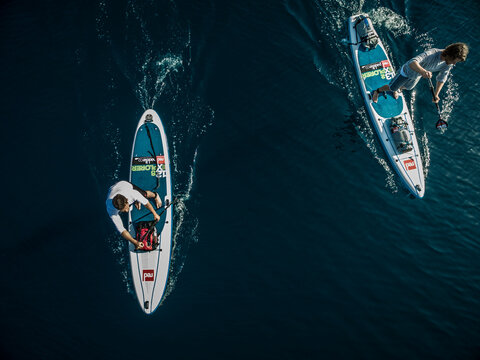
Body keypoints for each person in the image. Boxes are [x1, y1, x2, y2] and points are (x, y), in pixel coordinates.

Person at [372, 43, 469, 103]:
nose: (454, 63)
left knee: (408, 87)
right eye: (454, 60)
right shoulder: (432, 54)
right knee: (392, 87)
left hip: (416, 76)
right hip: (406, 73)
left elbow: (441, 78)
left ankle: (397, 89)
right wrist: (423, 71)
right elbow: (412, 63)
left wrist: (436, 94)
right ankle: (377, 91)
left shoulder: (448, 63)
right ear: (450, 55)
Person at [106, 181, 162, 250]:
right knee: (136, 200)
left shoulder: (132, 193)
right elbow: (121, 230)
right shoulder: (111, 209)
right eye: (123, 210)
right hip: (114, 190)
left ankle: (155, 195)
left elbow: (146, 203)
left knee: (145, 195)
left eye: (126, 208)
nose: (126, 211)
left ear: (127, 200)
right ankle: (136, 201)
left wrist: (155, 214)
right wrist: (135, 242)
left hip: (125, 185)